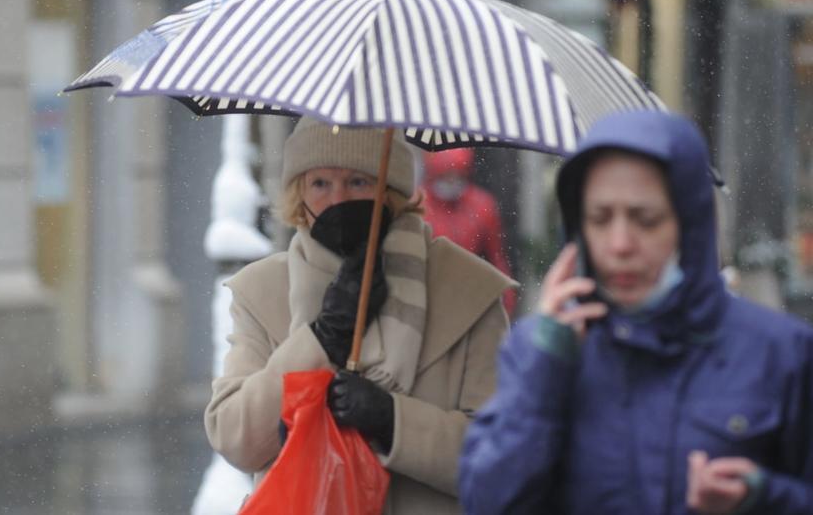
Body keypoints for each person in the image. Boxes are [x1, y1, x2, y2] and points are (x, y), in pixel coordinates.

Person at [458, 110, 813, 514]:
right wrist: (544, 379)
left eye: (646, 220)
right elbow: (486, 503)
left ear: (689, 224)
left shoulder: (780, 353)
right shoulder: (536, 350)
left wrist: (763, 498)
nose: (621, 243)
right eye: (600, 219)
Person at [205, 116, 515, 514]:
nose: (338, 200)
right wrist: (322, 339)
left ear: (392, 192)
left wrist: (392, 421)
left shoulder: (466, 290)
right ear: (298, 195)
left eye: (358, 182)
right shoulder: (262, 290)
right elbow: (235, 437)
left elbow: (500, 461)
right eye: (320, 183)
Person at [422, 149, 515, 315]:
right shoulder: (417, 205)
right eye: (446, 176)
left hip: (469, 293)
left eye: (457, 176)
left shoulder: (482, 205)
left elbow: (497, 259)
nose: (451, 182)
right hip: (426, 292)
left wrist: (506, 302)